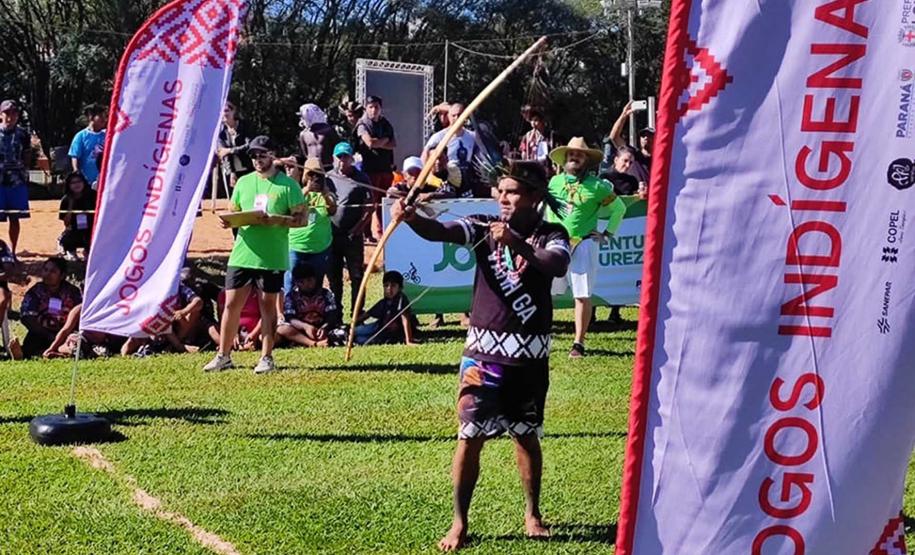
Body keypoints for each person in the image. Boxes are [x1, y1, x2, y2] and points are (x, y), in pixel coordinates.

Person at [390, 160, 571, 551]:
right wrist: (408, 217)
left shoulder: (551, 233)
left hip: (529, 358)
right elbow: (438, 230)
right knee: (469, 438)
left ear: (535, 198)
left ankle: (532, 514)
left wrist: (516, 242)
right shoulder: (480, 227)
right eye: (500, 190)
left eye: (513, 192)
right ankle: (459, 523)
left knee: (526, 437)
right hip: (483, 357)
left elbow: (556, 265)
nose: (503, 197)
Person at [202, 135, 307, 374]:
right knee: (230, 305)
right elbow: (233, 212)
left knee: (267, 306)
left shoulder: (288, 185)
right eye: (253, 156)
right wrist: (228, 222)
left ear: (273, 155)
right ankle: (223, 355)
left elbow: (301, 219)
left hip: (271, 255)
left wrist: (278, 220)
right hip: (243, 253)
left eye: (261, 155)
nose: (257, 160)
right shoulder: (243, 182)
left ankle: (266, 357)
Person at [546, 137, 623, 358]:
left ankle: (578, 344)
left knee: (582, 294)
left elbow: (618, 209)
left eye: (579, 154)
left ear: (586, 160)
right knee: (546, 294)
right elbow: (546, 210)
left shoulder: (597, 186)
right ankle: (542, 337)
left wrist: (607, 233)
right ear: (565, 158)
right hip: (555, 244)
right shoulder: (554, 183)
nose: (574, 157)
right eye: (571, 154)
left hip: (584, 244)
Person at [326, 142, 373, 316]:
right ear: (333, 158)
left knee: (357, 276)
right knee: (334, 278)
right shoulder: (328, 178)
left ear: (352, 158)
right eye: (339, 157)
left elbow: (370, 207)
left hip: (352, 236)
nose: (342, 161)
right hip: (331, 236)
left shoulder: (362, 179)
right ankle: (336, 313)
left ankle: (357, 313)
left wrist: (358, 228)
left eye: (346, 157)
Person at [286, 157, 337, 293]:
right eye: (311, 174)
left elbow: (332, 210)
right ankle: (289, 312)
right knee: (290, 284)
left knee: (315, 285)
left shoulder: (327, 193)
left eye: (318, 175)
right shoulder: (298, 191)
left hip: (319, 248)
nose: (315, 178)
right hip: (296, 246)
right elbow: (291, 208)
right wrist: (307, 189)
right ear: (305, 176)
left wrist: (325, 193)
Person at [20, 257, 82, 358]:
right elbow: (27, 318)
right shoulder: (35, 292)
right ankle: (54, 352)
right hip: (40, 334)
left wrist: (62, 335)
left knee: (76, 343)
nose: (47, 274)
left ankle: (57, 352)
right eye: (45, 270)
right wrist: (48, 336)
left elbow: (80, 315)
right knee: (30, 347)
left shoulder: (73, 292)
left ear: (62, 276)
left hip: (66, 334)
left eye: (53, 271)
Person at [355, 95, 396, 240]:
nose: (373, 110)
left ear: (380, 108)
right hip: (369, 170)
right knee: (369, 202)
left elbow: (393, 144)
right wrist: (384, 140)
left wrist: (380, 142)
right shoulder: (362, 124)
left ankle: (382, 233)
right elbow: (369, 143)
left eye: (376, 107)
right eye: (370, 107)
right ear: (366, 108)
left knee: (383, 203)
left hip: (385, 169)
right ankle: (366, 233)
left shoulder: (386, 124)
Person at [421, 103, 478, 198]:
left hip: (466, 179)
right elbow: (424, 157)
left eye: (460, 115)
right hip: (447, 178)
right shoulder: (439, 136)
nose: (457, 118)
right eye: (453, 115)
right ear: (448, 116)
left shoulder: (472, 136)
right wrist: (428, 176)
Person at [277, 264, 342, 347]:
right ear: (296, 283)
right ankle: (312, 343)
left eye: (309, 280)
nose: (306, 284)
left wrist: (324, 328)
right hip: (300, 329)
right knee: (283, 329)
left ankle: (306, 341)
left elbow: (332, 315)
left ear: (315, 279)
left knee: (343, 333)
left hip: (322, 328)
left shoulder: (325, 294)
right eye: (301, 282)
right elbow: (290, 318)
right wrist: (306, 327)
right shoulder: (291, 296)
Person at [0, 99, 32, 255]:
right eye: (7, 112)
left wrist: (24, 172)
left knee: (14, 218)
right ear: (1, 114)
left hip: (17, 182)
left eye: (14, 112)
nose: (10, 116)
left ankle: (12, 253)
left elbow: (27, 155)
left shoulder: (23, 134)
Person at [353, 270, 418, 346]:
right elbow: (368, 314)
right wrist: (352, 323)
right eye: (386, 285)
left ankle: (350, 338)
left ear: (400, 288)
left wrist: (408, 340)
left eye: (393, 286)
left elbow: (405, 320)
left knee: (360, 339)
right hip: (378, 327)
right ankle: (344, 334)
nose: (389, 289)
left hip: (392, 334)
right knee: (355, 331)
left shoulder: (401, 300)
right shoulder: (384, 302)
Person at [604, 101, 652, 183]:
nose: (646, 137)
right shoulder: (633, 154)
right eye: (643, 135)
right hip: (632, 193)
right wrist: (624, 115)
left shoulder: (661, 159)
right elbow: (614, 137)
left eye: (650, 135)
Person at [216, 100, 255, 190]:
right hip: (231, 171)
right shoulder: (221, 133)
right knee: (234, 201)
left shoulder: (245, 126)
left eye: (226, 110)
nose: (224, 114)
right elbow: (223, 154)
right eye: (221, 111)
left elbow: (249, 146)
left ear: (233, 111)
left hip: (249, 169)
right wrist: (232, 173)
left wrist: (230, 150)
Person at [57, 171, 97, 260]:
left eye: (79, 181)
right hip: (75, 229)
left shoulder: (93, 195)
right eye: (73, 183)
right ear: (69, 185)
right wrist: (71, 206)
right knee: (68, 236)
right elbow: (66, 224)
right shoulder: (66, 199)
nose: (76, 185)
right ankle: (70, 250)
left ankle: (88, 250)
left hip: (91, 229)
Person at [68, 103, 107, 189]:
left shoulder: (107, 135)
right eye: (101, 116)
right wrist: (76, 173)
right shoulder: (81, 136)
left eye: (105, 117)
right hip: (86, 182)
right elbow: (75, 156)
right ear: (91, 117)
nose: (104, 120)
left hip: (104, 181)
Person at [293, 104, 341, 171]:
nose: (302, 119)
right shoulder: (303, 134)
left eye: (303, 116)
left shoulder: (328, 130)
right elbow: (305, 153)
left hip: (329, 168)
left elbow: (338, 148)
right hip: (312, 169)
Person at [518, 106, 552, 170]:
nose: (533, 123)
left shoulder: (549, 136)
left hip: (545, 168)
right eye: (531, 120)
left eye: (536, 120)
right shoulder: (527, 136)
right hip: (531, 167)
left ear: (542, 121)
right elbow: (523, 152)